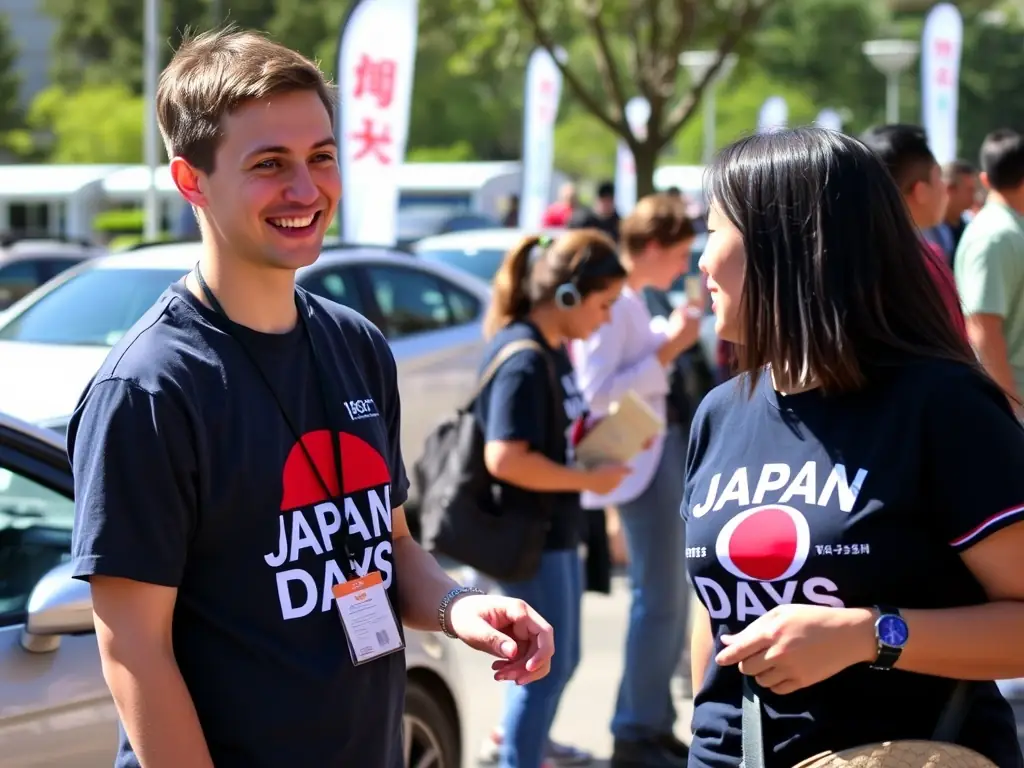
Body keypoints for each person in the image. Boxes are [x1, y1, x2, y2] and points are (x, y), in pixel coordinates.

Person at [67, 27, 554, 768]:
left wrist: (463, 609)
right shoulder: (150, 390)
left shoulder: (356, 345)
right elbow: (133, 650)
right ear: (191, 181)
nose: (306, 189)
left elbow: (386, 550)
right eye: (270, 165)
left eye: (321, 157)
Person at [685, 126, 1024, 768]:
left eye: (711, 231)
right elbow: (712, 613)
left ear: (783, 244)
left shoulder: (942, 406)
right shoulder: (720, 413)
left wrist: (871, 634)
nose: (700, 261)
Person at [476, 229, 631, 768]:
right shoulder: (523, 356)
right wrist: (589, 482)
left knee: (555, 661)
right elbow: (505, 458)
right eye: (604, 304)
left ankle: (526, 745)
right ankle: (519, 754)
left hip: (554, 532)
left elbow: (550, 439)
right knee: (541, 668)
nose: (607, 319)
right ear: (568, 296)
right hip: (529, 538)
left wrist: (608, 439)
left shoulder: (552, 350)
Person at [571, 193, 702, 768]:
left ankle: (645, 721)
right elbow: (597, 390)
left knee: (665, 598)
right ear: (651, 247)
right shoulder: (619, 298)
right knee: (661, 599)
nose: (684, 265)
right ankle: (638, 727)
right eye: (678, 253)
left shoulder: (628, 297)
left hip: (644, 452)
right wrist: (669, 346)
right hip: (638, 456)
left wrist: (663, 343)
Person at [860, 124, 967, 339]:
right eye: (939, 178)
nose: (945, 191)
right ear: (920, 190)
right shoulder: (926, 265)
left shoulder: (839, 261)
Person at [955, 128, 1024, 408]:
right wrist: (1012, 407)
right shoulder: (995, 235)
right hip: (1013, 402)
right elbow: (983, 327)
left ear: (985, 178)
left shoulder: (1008, 228)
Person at [926, 159, 978, 264]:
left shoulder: (971, 225)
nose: (974, 196)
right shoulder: (927, 230)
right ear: (949, 189)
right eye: (969, 190)